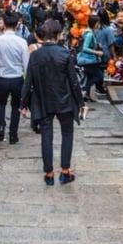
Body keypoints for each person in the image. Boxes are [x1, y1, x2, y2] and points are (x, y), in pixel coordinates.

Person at [21, 19, 86, 186]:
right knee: (67, 134)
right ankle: (65, 172)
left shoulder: (35, 55)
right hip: (64, 100)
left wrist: (23, 104)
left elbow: (28, 81)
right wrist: (81, 102)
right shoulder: (65, 54)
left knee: (46, 136)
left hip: (43, 100)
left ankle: (49, 174)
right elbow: (74, 82)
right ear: (57, 35)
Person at [0, 12, 29, 143]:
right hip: (17, 78)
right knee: (16, 105)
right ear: (17, 25)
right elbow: (26, 64)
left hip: (2, 77)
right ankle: (13, 134)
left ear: (4, 24)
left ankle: (1, 126)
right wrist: (28, 82)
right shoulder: (22, 42)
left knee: (0, 103)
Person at [78, 15, 107, 102]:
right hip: (89, 60)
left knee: (90, 76)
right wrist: (97, 52)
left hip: (90, 60)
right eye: (98, 23)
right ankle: (84, 89)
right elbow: (85, 48)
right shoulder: (90, 34)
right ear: (95, 23)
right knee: (99, 76)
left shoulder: (90, 32)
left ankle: (86, 95)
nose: (99, 25)